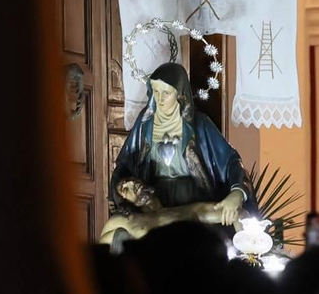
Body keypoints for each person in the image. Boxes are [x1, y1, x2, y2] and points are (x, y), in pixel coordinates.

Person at [102, 62, 250, 244]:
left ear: (180, 94)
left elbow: (231, 161)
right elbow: (124, 166)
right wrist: (120, 194)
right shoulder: (144, 125)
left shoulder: (199, 125)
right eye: (155, 91)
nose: (160, 99)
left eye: (166, 92)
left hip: (193, 197)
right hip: (154, 198)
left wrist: (237, 192)